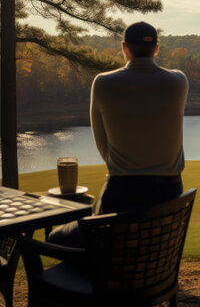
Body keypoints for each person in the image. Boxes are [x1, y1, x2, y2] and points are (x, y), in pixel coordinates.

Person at [48, 21, 189, 246]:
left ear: (124, 48)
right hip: (168, 195)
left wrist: (123, 168)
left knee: (55, 237)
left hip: (122, 196)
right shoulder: (178, 81)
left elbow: (102, 145)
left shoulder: (103, 83)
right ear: (157, 48)